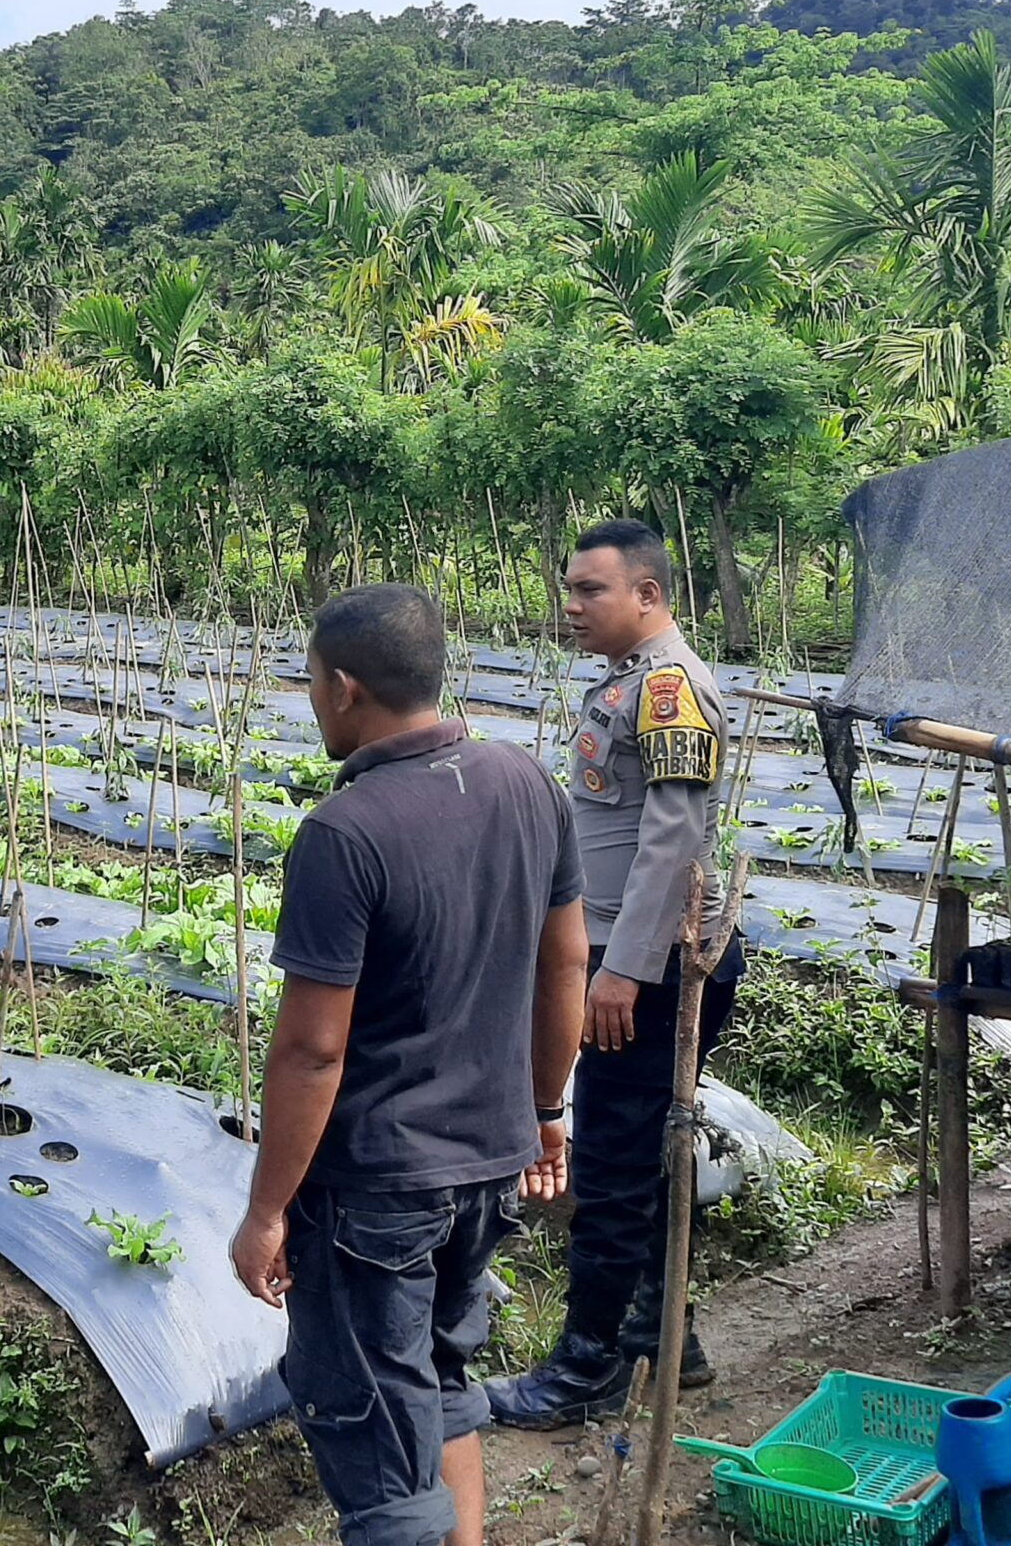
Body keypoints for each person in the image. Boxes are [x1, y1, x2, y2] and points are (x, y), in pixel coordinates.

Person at [230, 583, 589, 1546]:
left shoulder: (345, 835)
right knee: (437, 1379)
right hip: (486, 1166)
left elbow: (312, 1049)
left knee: (373, 1430)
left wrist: (267, 1212)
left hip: (379, 1190)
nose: (311, 700)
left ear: (345, 687)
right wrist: (545, 1109)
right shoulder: (528, 782)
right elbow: (565, 965)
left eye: (311, 682)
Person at [484, 519, 739, 1430]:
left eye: (591, 590)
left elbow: (674, 840)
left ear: (648, 595)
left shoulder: (670, 689)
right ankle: (668, 1335)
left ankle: (585, 1369)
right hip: (632, 951)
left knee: (616, 1159)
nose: (572, 606)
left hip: (652, 961)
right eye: (570, 587)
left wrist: (622, 972)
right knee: (646, 1149)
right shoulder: (633, 683)